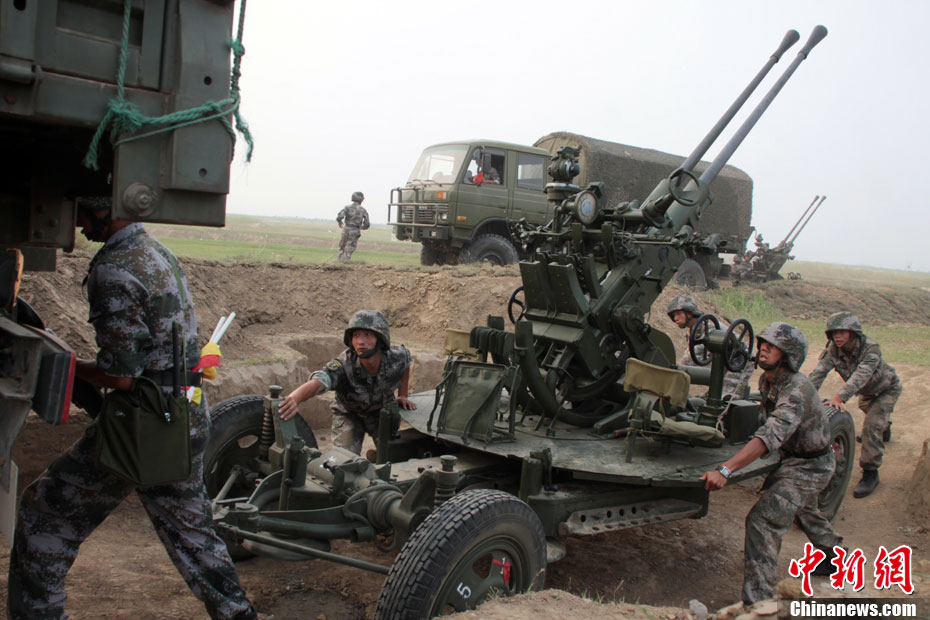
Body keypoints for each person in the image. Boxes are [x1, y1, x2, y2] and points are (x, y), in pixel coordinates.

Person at [8, 200, 258, 620]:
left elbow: (122, 376)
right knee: (194, 539)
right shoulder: (157, 252)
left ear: (105, 208)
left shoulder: (114, 268)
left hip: (142, 428)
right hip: (183, 415)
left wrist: (65, 364)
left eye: (84, 213)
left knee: (45, 513)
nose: (80, 224)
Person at [701, 322, 843, 607]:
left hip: (811, 465)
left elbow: (770, 435)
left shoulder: (796, 390)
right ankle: (835, 556)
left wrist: (726, 469)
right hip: (792, 457)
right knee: (803, 509)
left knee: (763, 520)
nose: (763, 347)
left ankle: (759, 603)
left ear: (789, 355)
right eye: (763, 342)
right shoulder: (768, 380)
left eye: (773, 345)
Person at [278, 310, 416, 456]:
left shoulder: (395, 356)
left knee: (393, 457)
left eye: (367, 335)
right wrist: (295, 398)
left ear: (380, 339)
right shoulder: (344, 364)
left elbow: (406, 361)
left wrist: (403, 395)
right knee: (344, 462)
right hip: (350, 414)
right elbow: (320, 380)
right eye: (356, 336)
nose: (361, 341)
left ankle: (378, 456)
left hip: (381, 412)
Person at [808, 311, 901, 499]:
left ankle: (870, 473)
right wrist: (805, 396)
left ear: (853, 332)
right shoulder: (833, 349)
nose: (837, 336)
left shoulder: (871, 348)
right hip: (866, 395)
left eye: (842, 332)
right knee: (876, 419)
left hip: (886, 389)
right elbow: (818, 373)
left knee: (872, 426)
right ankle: (885, 427)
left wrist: (839, 398)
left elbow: (861, 376)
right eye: (834, 332)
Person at [666, 295, 752, 397]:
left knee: (726, 398)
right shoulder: (696, 328)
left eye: (679, 313)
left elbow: (690, 360)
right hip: (726, 361)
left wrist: (673, 372)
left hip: (739, 360)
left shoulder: (708, 327)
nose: (676, 318)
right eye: (673, 315)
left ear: (689, 312)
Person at [336, 191, 370, 261]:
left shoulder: (347, 207)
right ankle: (345, 262)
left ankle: (338, 261)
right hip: (355, 230)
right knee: (350, 247)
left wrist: (340, 222)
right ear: (361, 199)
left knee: (342, 246)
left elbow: (340, 216)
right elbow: (367, 224)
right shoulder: (363, 210)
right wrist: (362, 227)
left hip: (346, 228)